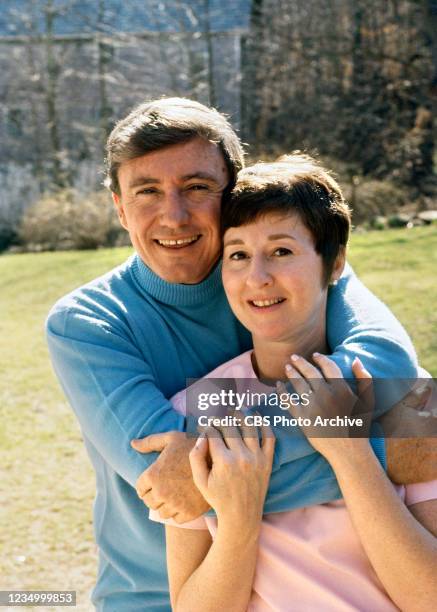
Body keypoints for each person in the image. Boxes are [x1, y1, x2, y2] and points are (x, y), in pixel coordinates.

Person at [46, 98, 431, 611]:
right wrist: (382, 442)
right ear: (119, 207)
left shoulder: (302, 273)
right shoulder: (88, 324)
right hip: (158, 595)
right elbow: (179, 485)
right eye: (147, 192)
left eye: (198, 187)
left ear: (235, 191)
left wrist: (372, 443)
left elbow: (393, 369)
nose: (174, 214)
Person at [159, 154, 437, 611]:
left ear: (335, 264)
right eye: (238, 255)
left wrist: (351, 453)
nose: (257, 277)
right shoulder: (197, 407)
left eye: (282, 251)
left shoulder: (409, 394)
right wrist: (239, 518)